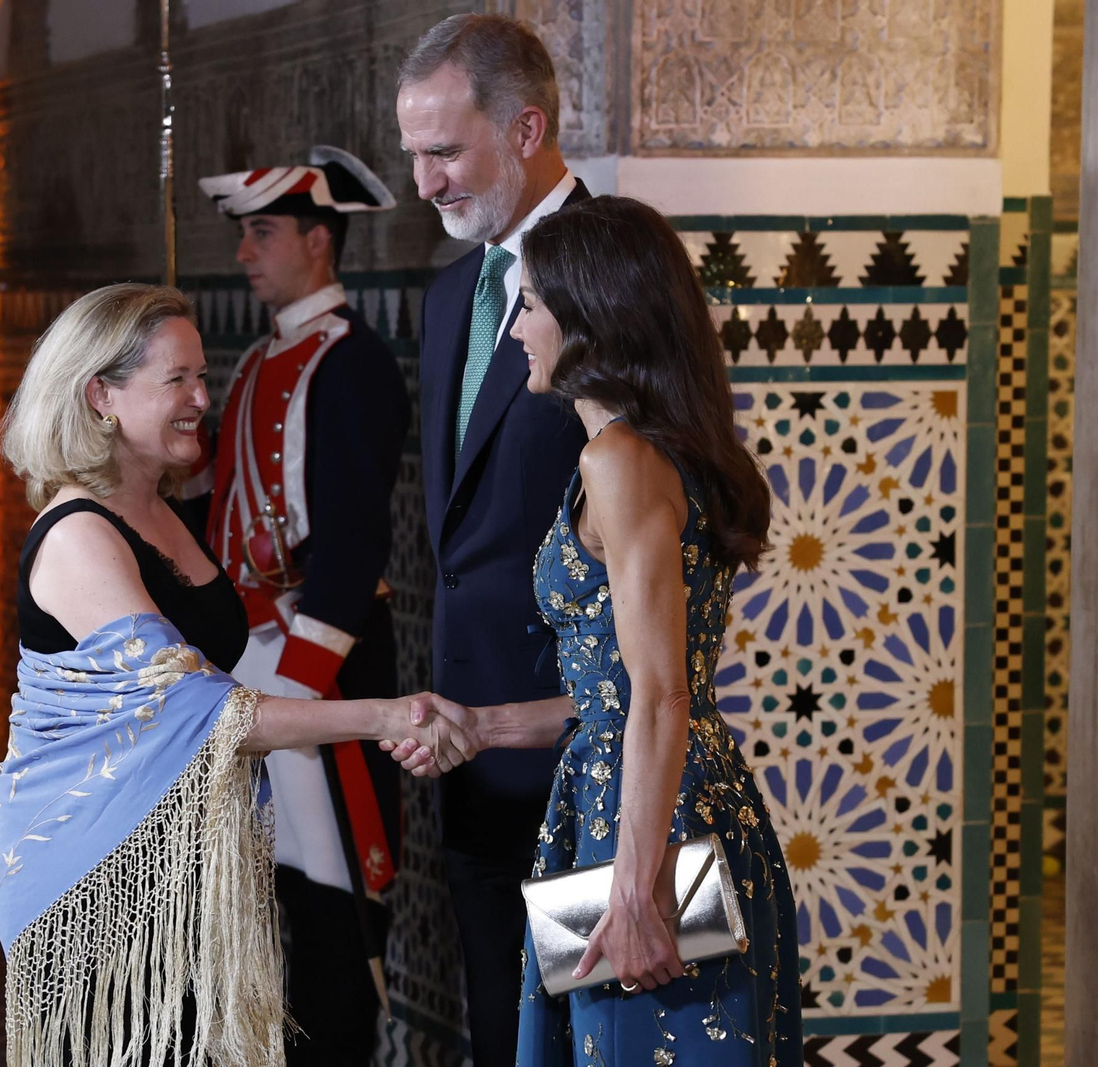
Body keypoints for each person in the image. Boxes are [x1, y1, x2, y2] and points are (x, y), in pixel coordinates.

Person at [0, 283, 467, 1067]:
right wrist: (386, 715)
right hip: (94, 875)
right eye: (177, 380)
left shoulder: (163, 510)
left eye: (202, 377)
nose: (201, 400)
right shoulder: (78, 535)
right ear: (100, 395)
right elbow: (208, 714)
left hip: (185, 863)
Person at [389, 197, 803, 1066]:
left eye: (533, 305)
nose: (517, 330)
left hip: (648, 828)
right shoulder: (648, 450)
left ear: (589, 319)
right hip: (648, 804)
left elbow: (661, 693)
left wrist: (637, 895)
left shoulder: (617, 459)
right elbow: (615, 689)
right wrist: (485, 726)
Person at [395, 15, 590, 1062]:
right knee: (506, 1040)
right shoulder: (447, 296)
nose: (424, 182)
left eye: (444, 151)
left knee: (603, 1033)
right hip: (471, 762)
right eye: (412, 154)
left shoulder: (618, 273)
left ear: (525, 130)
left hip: (592, 765)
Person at [194, 146, 410, 1065]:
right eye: (245, 234)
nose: (246, 252)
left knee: (332, 904)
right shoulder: (259, 357)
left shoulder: (351, 363)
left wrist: (301, 686)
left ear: (319, 241)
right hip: (250, 659)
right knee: (267, 893)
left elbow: (354, 541)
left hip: (316, 667)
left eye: (264, 233)